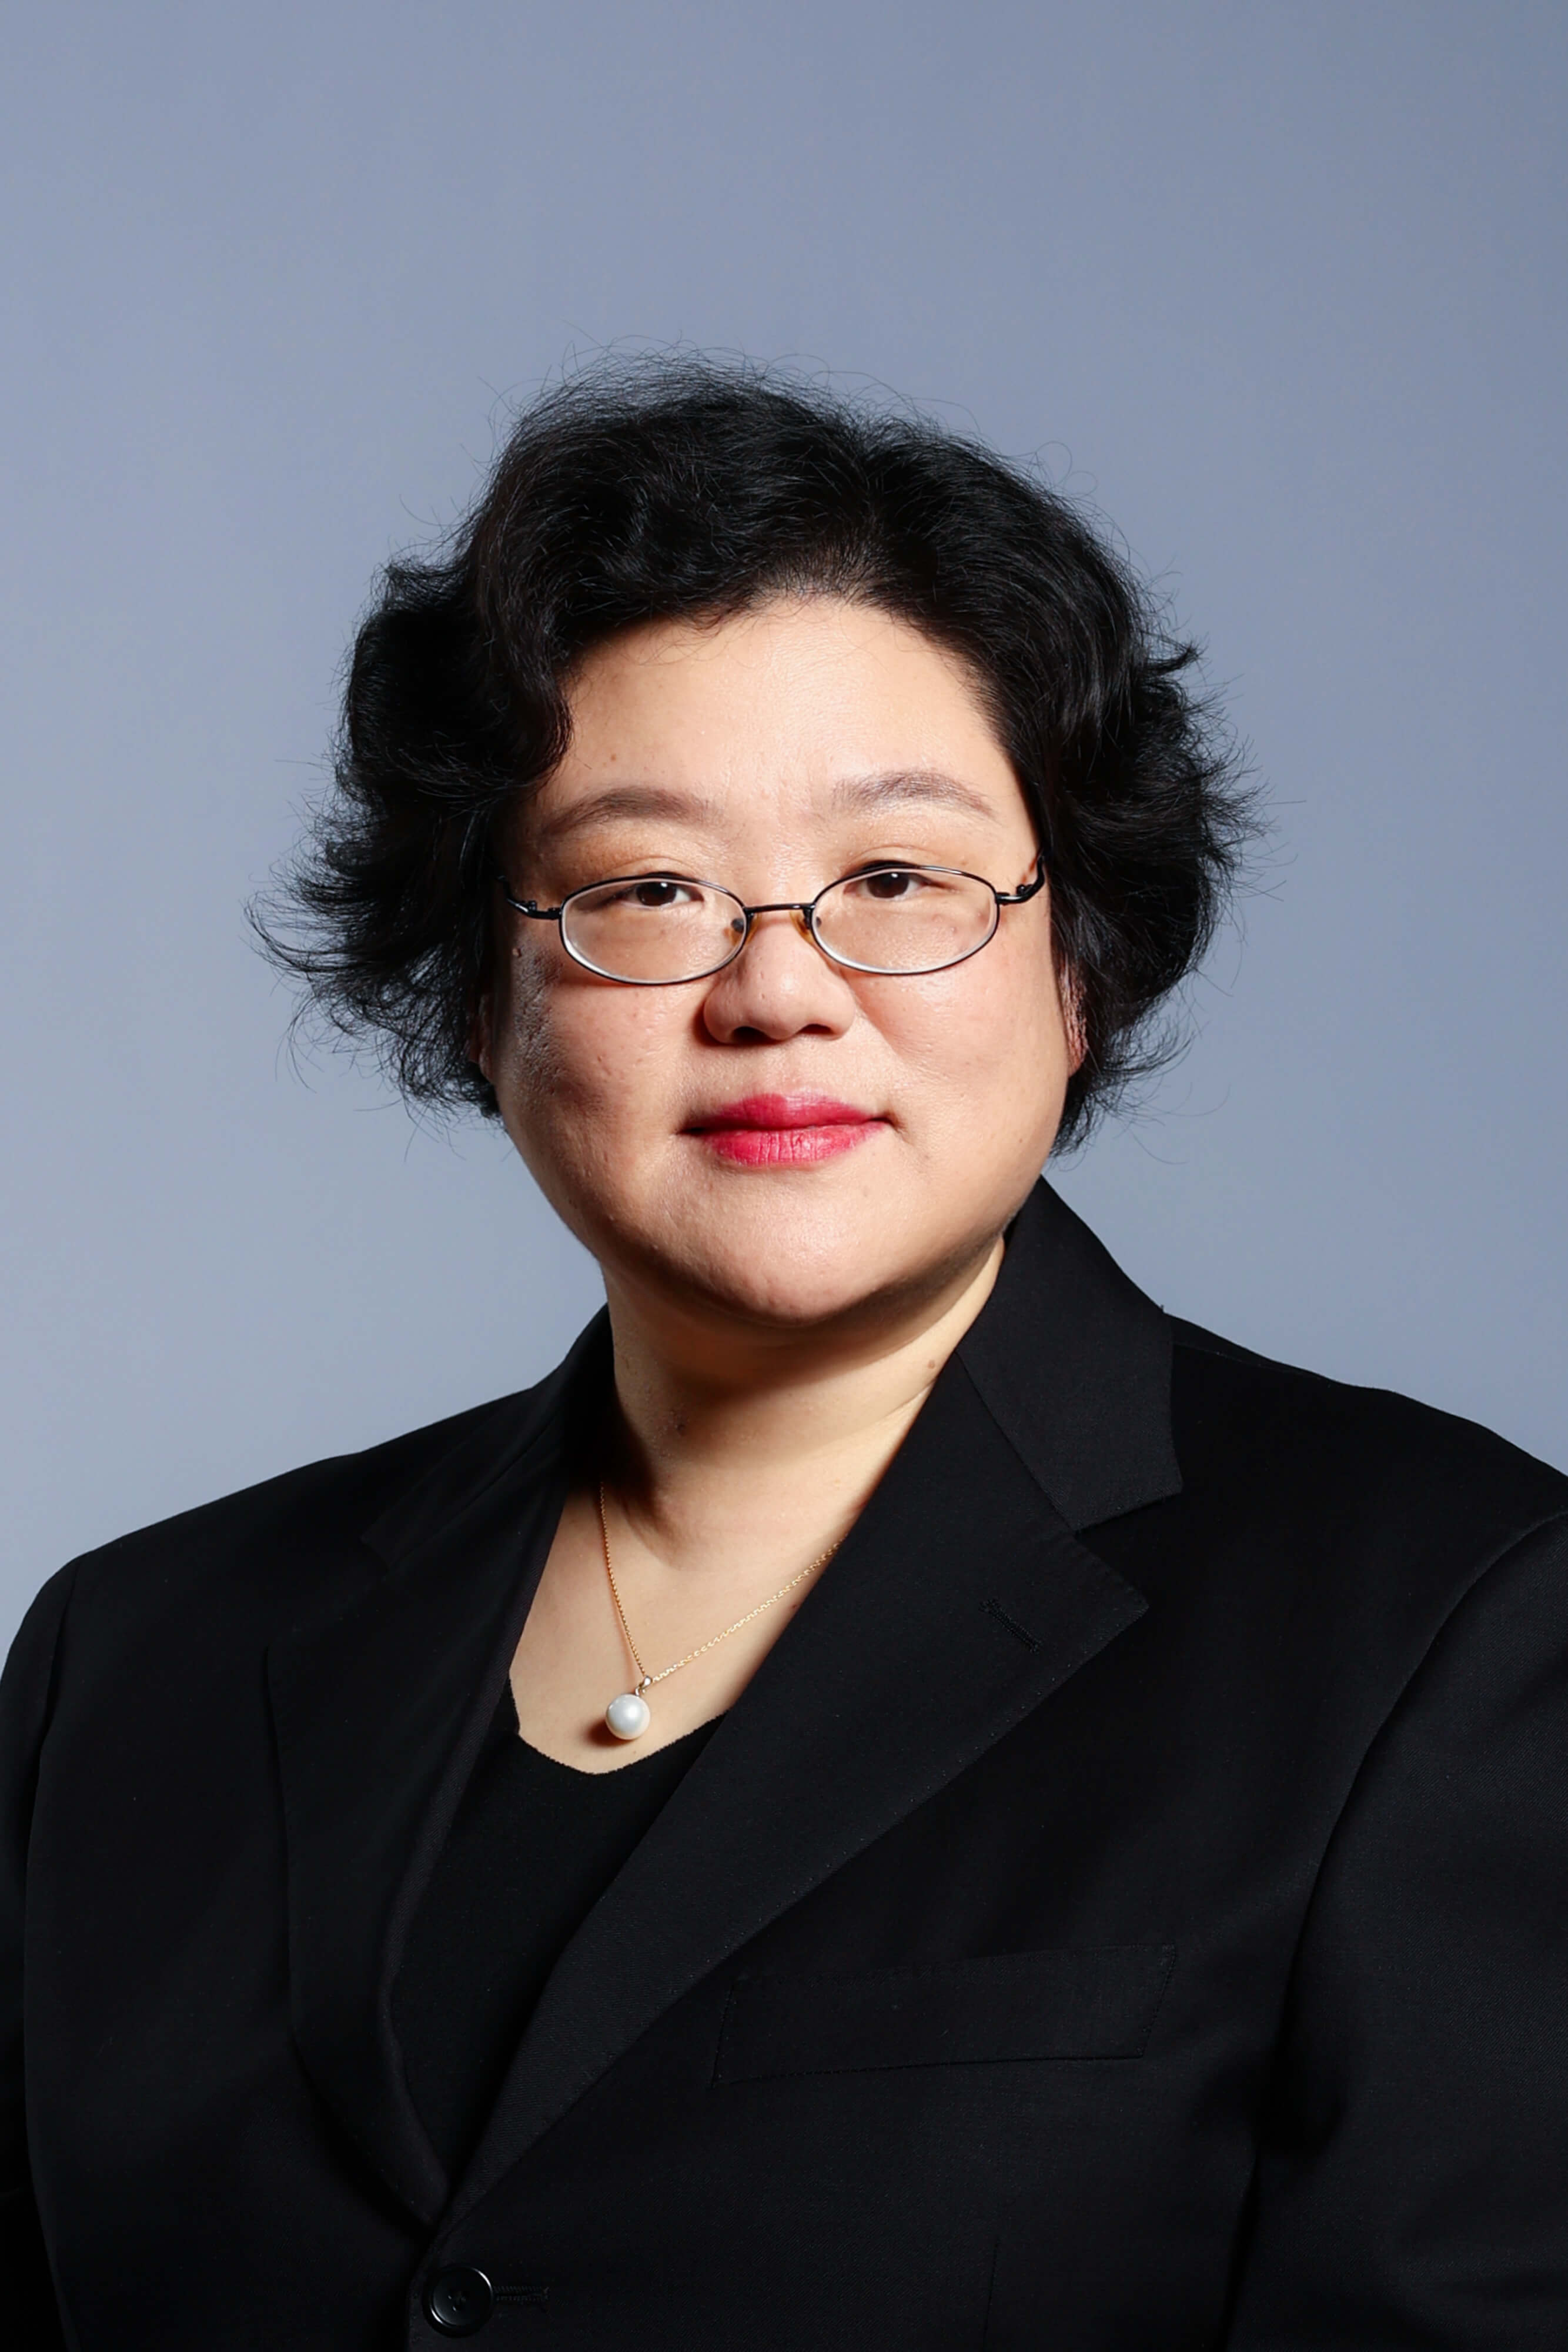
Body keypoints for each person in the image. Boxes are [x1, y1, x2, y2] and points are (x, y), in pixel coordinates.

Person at [4, 362, 1565, 2352]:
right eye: (645, 889)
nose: (776, 990)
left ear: (1075, 968)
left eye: (897, 881)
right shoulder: (137, 1661)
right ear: (480, 993)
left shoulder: (1445, 1623)